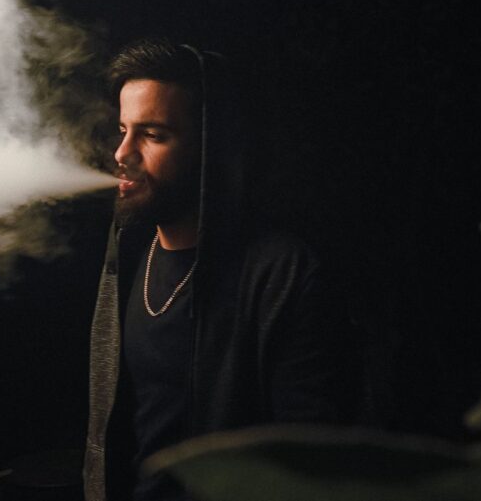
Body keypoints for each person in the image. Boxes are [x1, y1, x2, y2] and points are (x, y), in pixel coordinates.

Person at [83, 38, 355, 501]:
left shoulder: (281, 273)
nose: (123, 154)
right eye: (124, 129)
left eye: (153, 135)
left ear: (211, 149)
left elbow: (309, 461)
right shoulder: (127, 254)